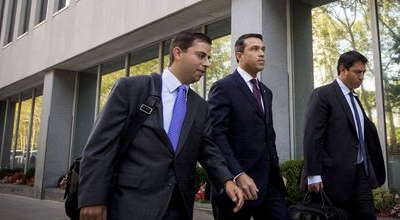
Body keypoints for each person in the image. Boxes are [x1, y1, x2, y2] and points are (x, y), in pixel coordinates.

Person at [78, 31, 244, 220]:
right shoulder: (133, 89)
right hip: (130, 204)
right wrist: (92, 198)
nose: (207, 63)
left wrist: (227, 181)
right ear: (178, 53)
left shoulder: (201, 107)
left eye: (209, 57)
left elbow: (209, 152)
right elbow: (101, 146)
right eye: (201, 56)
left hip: (178, 208)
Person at [208, 33, 289, 220]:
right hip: (237, 186)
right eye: (254, 49)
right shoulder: (223, 87)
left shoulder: (266, 92)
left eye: (263, 49)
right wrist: (237, 174)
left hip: (270, 185)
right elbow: (216, 135)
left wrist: (277, 173)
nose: (261, 54)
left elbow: (269, 136)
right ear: (239, 55)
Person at [301, 51, 386, 220]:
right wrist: (313, 174)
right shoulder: (323, 94)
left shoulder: (354, 98)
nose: (361, 77)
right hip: (331, 178)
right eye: (357, 72)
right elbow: (312, 136)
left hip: (360, 174)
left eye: (363, 72)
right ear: (342, 69)